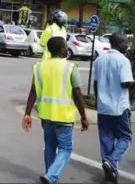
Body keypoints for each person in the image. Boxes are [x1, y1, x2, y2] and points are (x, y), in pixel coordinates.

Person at [22, 36, 89, 184]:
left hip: (46, 117)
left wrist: (27, 113)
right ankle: (51, 176)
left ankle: (49, 174)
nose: (67, 49)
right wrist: (83, 117)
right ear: (61, 50)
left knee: (50, 148)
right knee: (65, 149)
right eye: (66, 47)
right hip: (64, 118)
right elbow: (78, 94)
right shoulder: (71, 67)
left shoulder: (39, 66)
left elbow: (33, 91)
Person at [94, 33, 135, 183]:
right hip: (119, 107)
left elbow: (96, 84)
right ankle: (111, 162)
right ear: (118, 44)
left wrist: (99, 101)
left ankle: (110, 173)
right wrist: (134, 82)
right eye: (125, 43)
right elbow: (125, 84)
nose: (127, 45)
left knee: (106, 140)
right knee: (126, 138)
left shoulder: (99, 60)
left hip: (103, 108)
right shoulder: (123, 61)